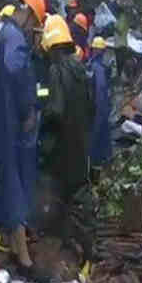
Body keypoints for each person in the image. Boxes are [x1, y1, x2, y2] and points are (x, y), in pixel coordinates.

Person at [0, 0, 45, 267]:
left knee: (5, 180)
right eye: (34, 22)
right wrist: (28, 108)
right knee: (16, 182)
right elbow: (17, 72)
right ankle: (24, 259)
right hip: (10, 122)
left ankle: (14, 242)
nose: (33, 29)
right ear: (27, 11)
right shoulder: (15, 38)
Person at [38, 14, 94, 202]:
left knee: (60, 198)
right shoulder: (80, 68)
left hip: (62, 149)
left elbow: (56, 111)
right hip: (80, 145)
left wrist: (41, 118)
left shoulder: (56, 70)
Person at [88, 37, 112, 168]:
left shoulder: (96, 67)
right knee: (102, 133)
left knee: (97, 133)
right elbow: (102, 87)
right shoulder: (100, 66)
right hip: (101, 104)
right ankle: (104, 158)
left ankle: (95, 161)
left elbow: (100, 87)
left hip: (99, 105)